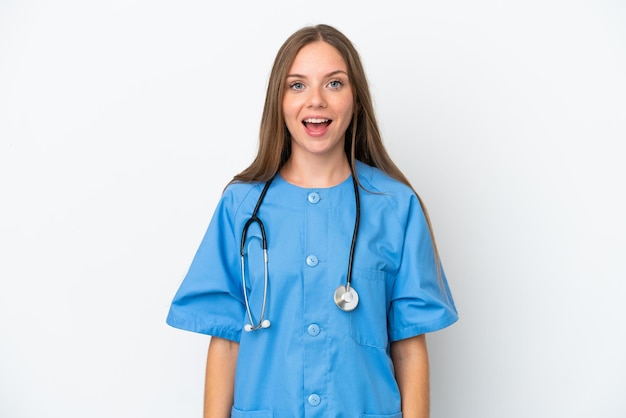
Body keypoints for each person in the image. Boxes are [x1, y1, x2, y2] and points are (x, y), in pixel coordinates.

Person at [166, 23, 458, 418]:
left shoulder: (395, 206)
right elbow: (227, 341)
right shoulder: (241, 205)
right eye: (297, 85)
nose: (316, 100)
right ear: (279, 100)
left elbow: (408, 348)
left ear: (356, 98)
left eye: (334, 84)